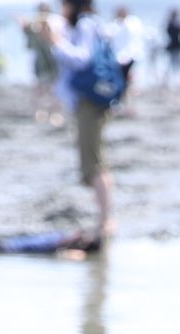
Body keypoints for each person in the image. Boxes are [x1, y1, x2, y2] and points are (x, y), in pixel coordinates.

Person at [50, 0, 115, 241]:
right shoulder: (93, 24)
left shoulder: (87, 24)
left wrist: (56, 42)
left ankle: (105, 220)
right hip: (91, 99)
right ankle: (104, 219)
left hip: (90, 100)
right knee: (94, 159)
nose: (61, 9)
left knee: (94, 160)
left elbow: (82, 59)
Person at [20, 2, 60, 123]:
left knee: (52, 89)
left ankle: (53, 114)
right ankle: (42, 113)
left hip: (52, 61)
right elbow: (29, 43)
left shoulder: (54, 23)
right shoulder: (35, 25)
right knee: (42, 88)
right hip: (42, 61)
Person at [105, 5, 143, 107]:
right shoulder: (119, 24)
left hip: (128, 57)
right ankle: (123, 103)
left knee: (125, 82)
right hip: (123, 58)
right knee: (124, 82)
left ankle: (124, 104)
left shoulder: (129, 23)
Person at [162, 7, 180, 88]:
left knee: (170, 65)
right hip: (177, 47)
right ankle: (176, 83)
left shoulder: (169, 24)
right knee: (178, 66)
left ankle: (169, 82)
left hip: (170, 46)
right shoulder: (178, 25)